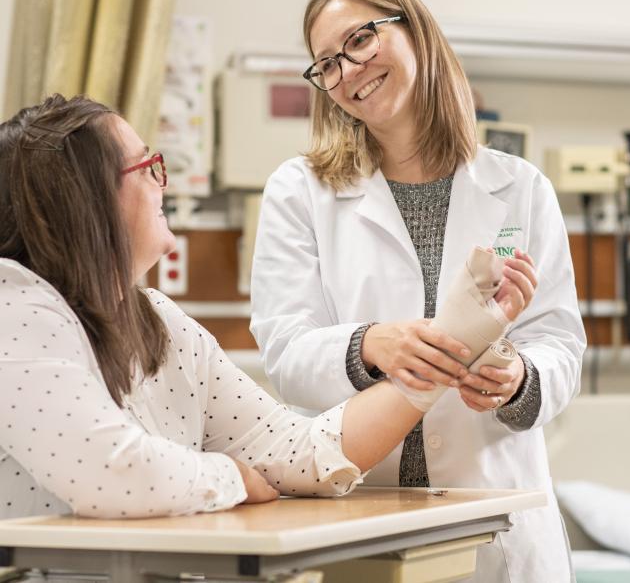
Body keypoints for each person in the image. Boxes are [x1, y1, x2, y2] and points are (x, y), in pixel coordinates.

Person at [250, 0, 586, 582]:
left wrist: (518, 379)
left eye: (359, 40)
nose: (347, 71)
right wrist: (370, 344)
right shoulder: (299, 191)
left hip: (493, 516)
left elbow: (560, 342)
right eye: (326, 64)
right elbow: (284, 352)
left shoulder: (521, 189)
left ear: (416, 30)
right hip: (361, 514)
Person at [0, 93, 432, 521]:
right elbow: (114, 475)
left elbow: (297, 453)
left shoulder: (158, 321)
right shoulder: (13, 303)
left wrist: (442, 358)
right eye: (144, 167)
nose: (160, 181)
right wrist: (233, 479)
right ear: (85, 199)